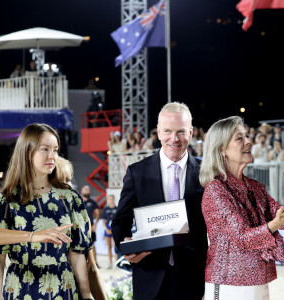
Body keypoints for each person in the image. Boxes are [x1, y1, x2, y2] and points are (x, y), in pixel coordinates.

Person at [112, 102, 208, 300]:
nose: (174, 138)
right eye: (167, 131)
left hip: (193, 279)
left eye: (181, 131)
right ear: (158, 132)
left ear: (190, 132)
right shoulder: (137, 172)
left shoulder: (207, 173)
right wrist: (126, 248)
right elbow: (120, 221)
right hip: (149, 277)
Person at [0, 123, 93, 300]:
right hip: (20, 290)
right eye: (45, 149)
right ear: (27, 152)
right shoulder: (6, 201)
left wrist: (87, 294)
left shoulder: (70, 198)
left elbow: (77, 255)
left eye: (56, 150)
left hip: (63, 289)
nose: (52, 156)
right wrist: (32, 236)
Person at [199, 116, 284, 300]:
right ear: (222, 149)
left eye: (247, 136)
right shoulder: (216, 190)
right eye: (240, 138)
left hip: (258, 278)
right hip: (228, 282)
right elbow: (242, 237)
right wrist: (275, 224)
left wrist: (280, 220)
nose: (248, 141)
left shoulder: (255, 186)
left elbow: (281, 214)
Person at [56, 156, 107, 300]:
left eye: (68, 180)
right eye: (61, 180)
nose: (67, 185)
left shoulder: (81, 217)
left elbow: (91, 267)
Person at [81, 185, 101, 267]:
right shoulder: (78, 201)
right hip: (80, 228)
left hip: (90, 227)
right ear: (82, 192)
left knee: (92, 246)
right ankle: (82, 264)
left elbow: (98, 213)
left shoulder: (93, 202)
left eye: (88, 190)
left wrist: (95, 224)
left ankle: (94, 263)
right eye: (85, 190)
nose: (87, 191)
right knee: (81, 246)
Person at [101, 194, 118, 269]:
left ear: (114, 199)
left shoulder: (117, 208)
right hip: (107, 229)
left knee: (116, 247)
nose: (111, 200)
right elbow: (103, 220)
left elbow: (119, 219)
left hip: (115, 229)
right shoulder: (105, 209)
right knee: (109, 247)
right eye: (110, 199)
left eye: (112, 199)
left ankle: (117, 263)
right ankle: (110, 263)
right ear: (108, 200)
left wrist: (114, 229)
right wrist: (106, 229)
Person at [268, 138, 284, 203]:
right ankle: (274, 201)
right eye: (275, 143)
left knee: (281, 186)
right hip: (273, 171)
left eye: (278, 143)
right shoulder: (271, 151)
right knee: (273, 185)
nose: (276, 145)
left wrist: (280, 149)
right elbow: (269, 158)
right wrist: (274, 149)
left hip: (281, 171)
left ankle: (281, 201)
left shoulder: (283, 151)